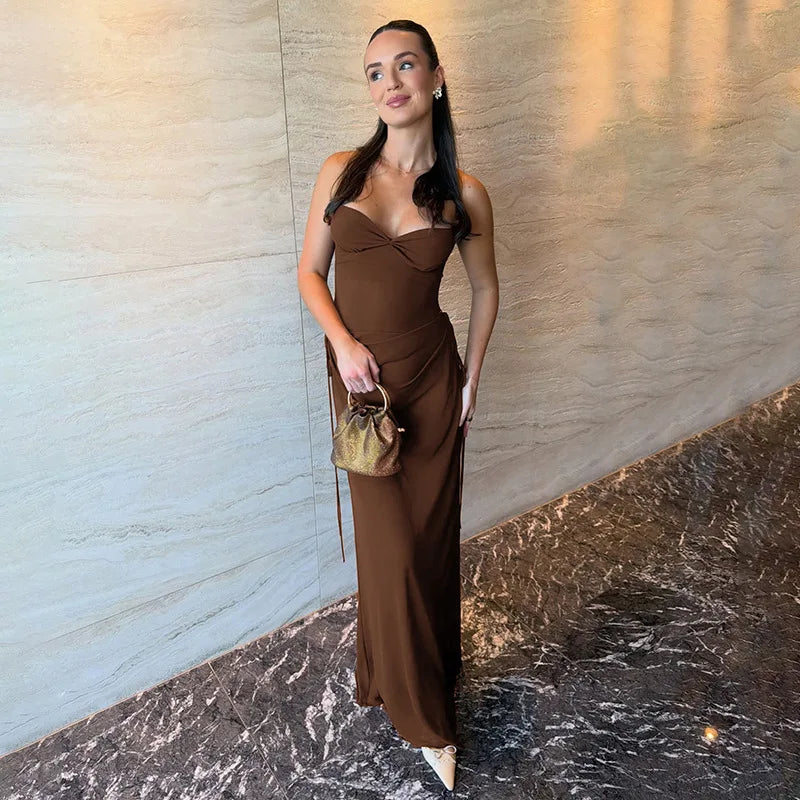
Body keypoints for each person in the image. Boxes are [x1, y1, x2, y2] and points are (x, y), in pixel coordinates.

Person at [296, 19, 498, 791]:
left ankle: (413, 674)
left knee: (427, 543)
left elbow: (486, 288)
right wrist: (345, 345)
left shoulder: (464, 194)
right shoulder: (341, 171)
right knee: (389, 548)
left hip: (433, 380)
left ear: (437, 77)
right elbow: (311, 275)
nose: (390, 83)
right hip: (363, 391)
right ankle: (423, 718)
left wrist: (473, 377)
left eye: (405, 66)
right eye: (375, 72)